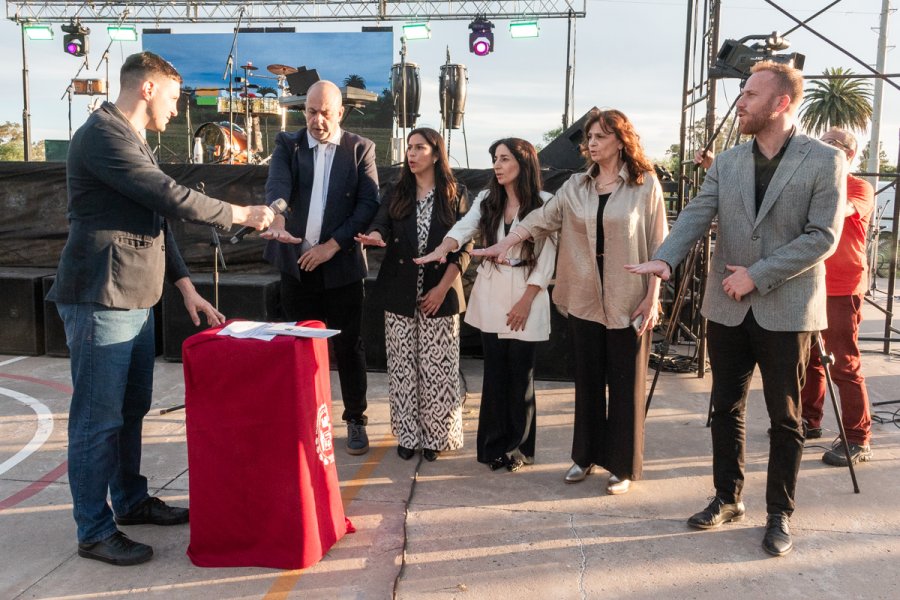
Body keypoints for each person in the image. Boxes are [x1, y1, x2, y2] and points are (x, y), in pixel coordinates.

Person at [47, 51, 275, 566]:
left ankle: (129, 501)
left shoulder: (133, 140)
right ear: (147, 88)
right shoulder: (103, 135)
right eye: (174, 97)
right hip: (101, 296)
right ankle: (94, 529)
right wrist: (241, 212)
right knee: (96, 420)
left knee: (129, 412)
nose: (177, 109)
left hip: (135, 295)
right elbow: (169, 197)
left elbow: (156, 218)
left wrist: (186, 287)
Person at [626, 61, 845, 557]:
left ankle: (779, 513)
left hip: (786, 307)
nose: (740, 102)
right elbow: (698, 213)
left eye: (749, 94)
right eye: (741, 93)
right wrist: (664, 259)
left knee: (785, 417)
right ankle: (727, 497)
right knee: (724, 407)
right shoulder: (727, 162)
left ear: (780, 103)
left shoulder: (824, 160)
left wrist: (757, 274)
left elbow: (822, 237)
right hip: (726, 307)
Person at [474, 110, 668, 494]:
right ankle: (585, 457)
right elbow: (541, 219)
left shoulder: (645, 186)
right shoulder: (577, 186)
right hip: (583, 299)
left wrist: (652, 296)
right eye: (590, 137)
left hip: (630, 299)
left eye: (600, 136)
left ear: (621, 140)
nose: (592, 143)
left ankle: (623, 467)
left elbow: (660, 244)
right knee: (588, 382)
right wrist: (506, 241)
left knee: (626, 385)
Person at [415, 138, 557, 472]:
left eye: (504, 158)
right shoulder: (487, 199)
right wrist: (444, 247)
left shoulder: (546, 203)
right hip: (492, 292)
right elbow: (464, 227)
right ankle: (493, 446)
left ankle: (519, 448)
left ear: (523, 163)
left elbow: (548, 258)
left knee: (521, 376)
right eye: (495, 158)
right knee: (495, 374)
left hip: (527, 293)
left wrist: (526, 300)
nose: (497, 164)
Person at [260, 80, 380, 455]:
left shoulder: (360, 149)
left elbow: (367, 205)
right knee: (301, 348)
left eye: (325, 112)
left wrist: (331, 246)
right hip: (297, 265)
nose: (317, 120)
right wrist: (275, 217)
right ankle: (306, 418)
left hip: (341, 266)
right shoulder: (288, 144)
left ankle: (356, 419)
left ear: (340, 112)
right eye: (311, 111)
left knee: (348, 346)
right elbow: (277, 186)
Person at [355, 128, 470, 462]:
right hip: (400, 292)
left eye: (420, 147)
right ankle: (407, 436)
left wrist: (441, 288)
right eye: (409, 147)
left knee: (439, 370)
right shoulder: (396, 191)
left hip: (441, 291)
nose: (412, 153)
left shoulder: (455, 192)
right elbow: (381, 224)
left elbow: (464, 248)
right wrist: (375, 236)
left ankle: (437, 437)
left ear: (436, 153)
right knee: (404, 368)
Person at [801, 127, 875, 466]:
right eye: (821, 143)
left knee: (843, 364)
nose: (824, 149)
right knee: (811, 359)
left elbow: (842, 209)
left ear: (849, 154)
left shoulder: (859, 187)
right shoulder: (814, 184)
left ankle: (858, 438)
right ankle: (809, 420)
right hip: (810, 282)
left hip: (843, 286)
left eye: (831, 144)